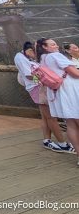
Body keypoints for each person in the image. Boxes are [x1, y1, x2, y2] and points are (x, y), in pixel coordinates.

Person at [14, 41, 72, 153]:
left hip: (41, 86)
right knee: (50, 117)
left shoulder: (30, 58)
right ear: (29, 51)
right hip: (37, 88)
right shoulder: (20, 58)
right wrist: (45, 79)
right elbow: (29, 75)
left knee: (45, 117)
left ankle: (47, 140)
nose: (37, 55)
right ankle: (63, 144)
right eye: (35, 52)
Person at [37, 38, 79, 166]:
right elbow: (75, 73)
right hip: (70, 90)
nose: (56, 46)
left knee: (71, 123)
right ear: (45, 47)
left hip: (57, 92)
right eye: (52, 44)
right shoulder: (56, 56)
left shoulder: (43, 58)